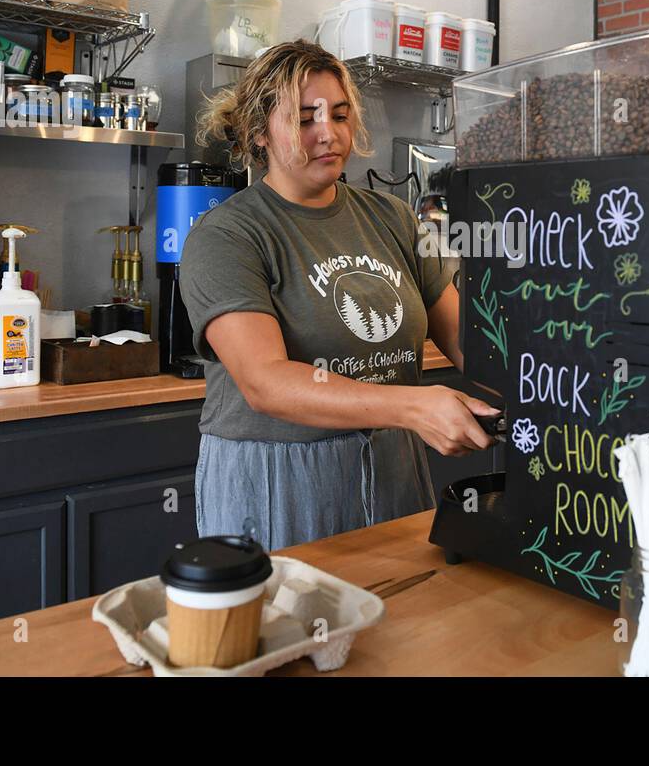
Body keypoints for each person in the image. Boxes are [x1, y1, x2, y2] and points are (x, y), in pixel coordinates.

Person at [180, 39, 497, 548]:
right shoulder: (227, 235)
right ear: (260, 133)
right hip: (276, 477)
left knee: (403, 621)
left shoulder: (392, 217)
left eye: (340, 115)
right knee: (286, 626)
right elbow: (267, 383)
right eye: (305, 118)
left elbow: (469, 337)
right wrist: (414, 408)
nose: (328, 134)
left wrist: (547, 382)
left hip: (394, 462)